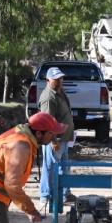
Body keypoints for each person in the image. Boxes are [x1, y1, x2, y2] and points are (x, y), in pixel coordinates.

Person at [38, 66, 75, 212]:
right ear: (48, 80)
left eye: (61, 78)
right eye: (56, 79)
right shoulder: (48, 97)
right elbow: (48, 122)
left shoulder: (59, 92)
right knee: (50, 166)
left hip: (63, 137)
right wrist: (52, 141)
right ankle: (46, 195)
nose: (60, 81)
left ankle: (65, 193)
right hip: (55, 139)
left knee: (64, 167)